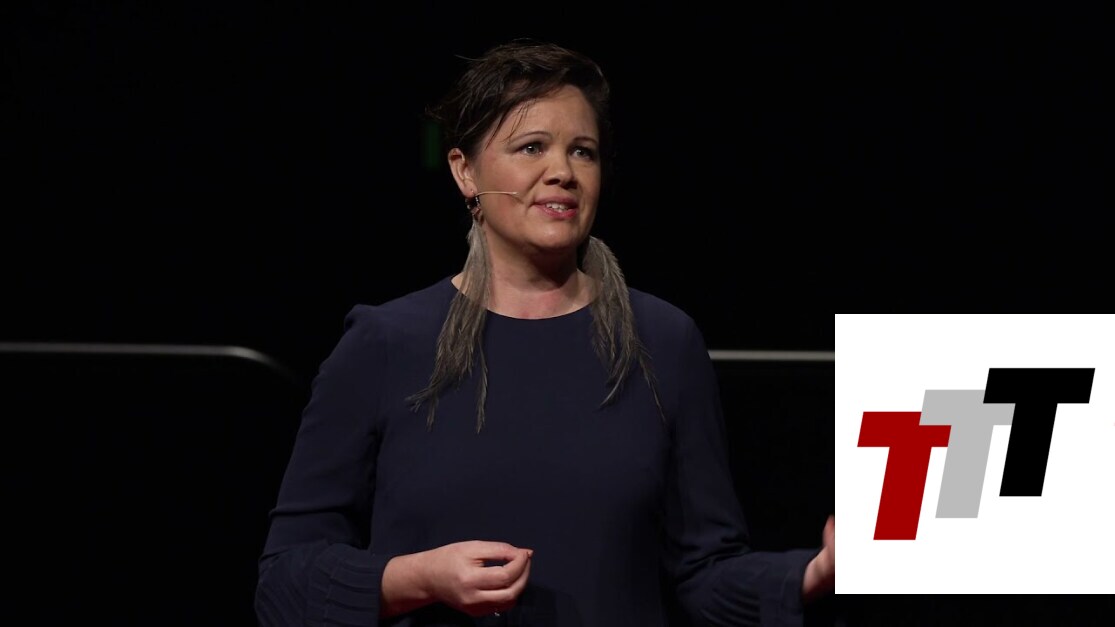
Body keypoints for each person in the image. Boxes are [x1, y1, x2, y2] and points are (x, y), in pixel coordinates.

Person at [254, 38, 835, 626]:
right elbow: (284, 582)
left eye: (583, 152)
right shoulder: (384, 344)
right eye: (532, 147)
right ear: (464, 171)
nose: (562, 172)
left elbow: (704, 573)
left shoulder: (662, 341)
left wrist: (812, 574)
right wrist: (416, 579)